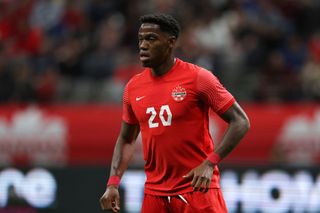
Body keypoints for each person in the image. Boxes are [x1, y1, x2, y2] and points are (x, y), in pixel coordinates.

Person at [99, 13, 250, 213]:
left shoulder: (198, 78)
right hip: (155, 194)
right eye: (141, 39)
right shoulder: (133, 88)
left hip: (196, 189)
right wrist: (113, 183)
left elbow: (240, 121)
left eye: (151, 39)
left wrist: (210, 163)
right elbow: (127, 139)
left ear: (170, 42)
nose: (143, 45)